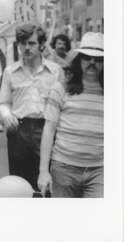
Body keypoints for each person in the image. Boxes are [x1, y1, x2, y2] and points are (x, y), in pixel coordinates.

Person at [0, 23, 62, 195]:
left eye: (31, 43)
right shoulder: (10, 72)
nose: (26, 47)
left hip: (46, 130)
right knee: (18, 184)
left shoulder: (55, 72)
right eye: (22, 43)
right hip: (19, 130)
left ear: (41, 44)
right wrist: (6, 114)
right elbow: (3, 102)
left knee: (45, 183)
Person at [38, 32, 104, 198]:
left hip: (100, 171)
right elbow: (49, 130)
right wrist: (43, 171)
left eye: (99, 59)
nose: (92, 62)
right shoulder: (61, 89)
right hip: (64, 169)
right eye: (87, 57)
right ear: (79, 59)